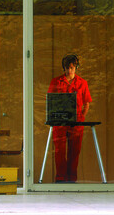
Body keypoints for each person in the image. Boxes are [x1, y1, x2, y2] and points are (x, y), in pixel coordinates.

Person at [47, 54, 92, 183]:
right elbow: (51, 101)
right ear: (64, 68)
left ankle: (72, 179)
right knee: (60, 151)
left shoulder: (82, 83)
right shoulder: (56, 81)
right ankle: (60, 178)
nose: (69, 70)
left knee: (75, 151)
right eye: (67, 67)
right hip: (59, 121)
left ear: (76, 67)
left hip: (76, 122)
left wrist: (81, 117)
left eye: (72, 67)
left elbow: (87, 103)